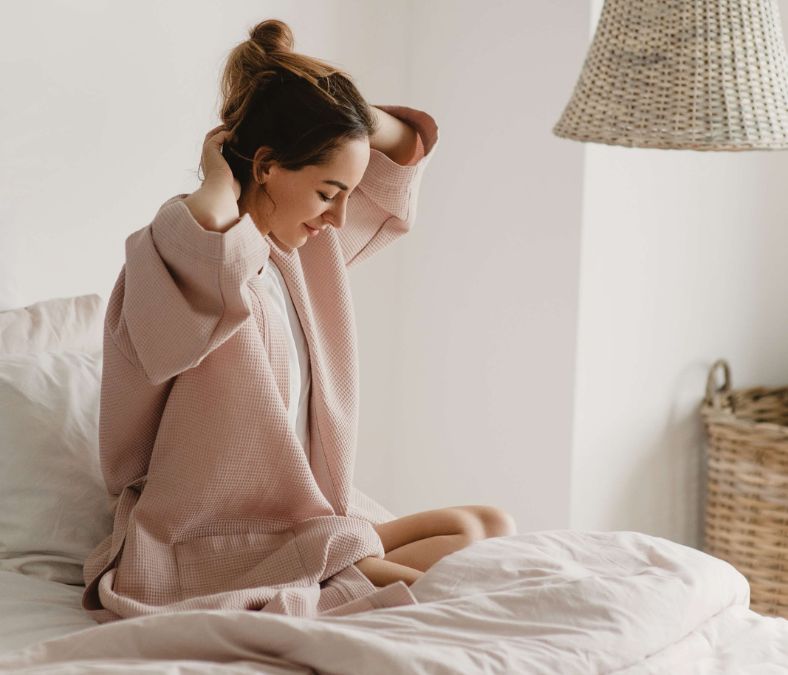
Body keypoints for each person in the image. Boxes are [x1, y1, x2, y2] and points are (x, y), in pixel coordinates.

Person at [82, 18, 516, 623]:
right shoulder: (174, 251)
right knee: (451, 594)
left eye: (347, 194)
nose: (339, 217)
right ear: (264, 166)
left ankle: (340, 564)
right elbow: (205, 261)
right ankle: (346, 577)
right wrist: (215, 177)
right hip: (205, 538)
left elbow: (404, 150)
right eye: (327, 192)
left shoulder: (304, 253)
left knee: (491, 524)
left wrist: (338, 108)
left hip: (301, 520)